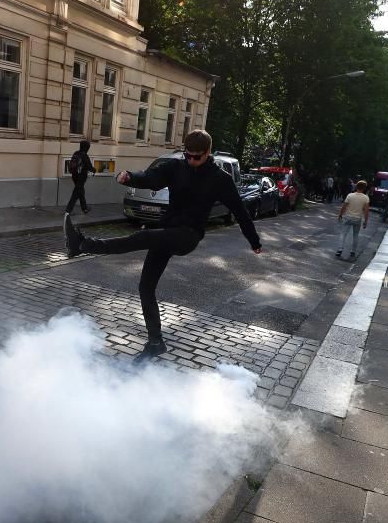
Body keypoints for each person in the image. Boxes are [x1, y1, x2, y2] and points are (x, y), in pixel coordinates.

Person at [62, 129, 262, 361]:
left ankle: (83, 245)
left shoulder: (220, 179)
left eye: (197, 157)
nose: (191, 161)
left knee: (143, 238)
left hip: (188, 235)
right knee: (145, 287)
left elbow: (241, 212)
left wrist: (254, 241)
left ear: (208, 152)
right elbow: (152, 178)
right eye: (188, 155)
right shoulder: (176, 167)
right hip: (167, 230)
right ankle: (155, 342)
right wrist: (130, 177)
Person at [336, 180, 370, 260]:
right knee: (355, 235)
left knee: (343, 234)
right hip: (358, 219)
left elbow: (344, 206)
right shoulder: (366, 198)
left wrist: (340, 214)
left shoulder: (350, 195)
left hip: (348, 217)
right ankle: (353, 251)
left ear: (356, 186)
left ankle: (340, 250)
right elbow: (366, 211)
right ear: (364, 188)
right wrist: (366, 221)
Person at [65, 140, 98, 214]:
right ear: (86, 147)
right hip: (81, 177)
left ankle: (84, 208)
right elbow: (89, 167)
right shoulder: (84, 155)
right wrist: (94, 170)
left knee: (81, 192)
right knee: (76, 193)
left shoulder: (76, 153)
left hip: (74, 176)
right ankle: (68, 210)